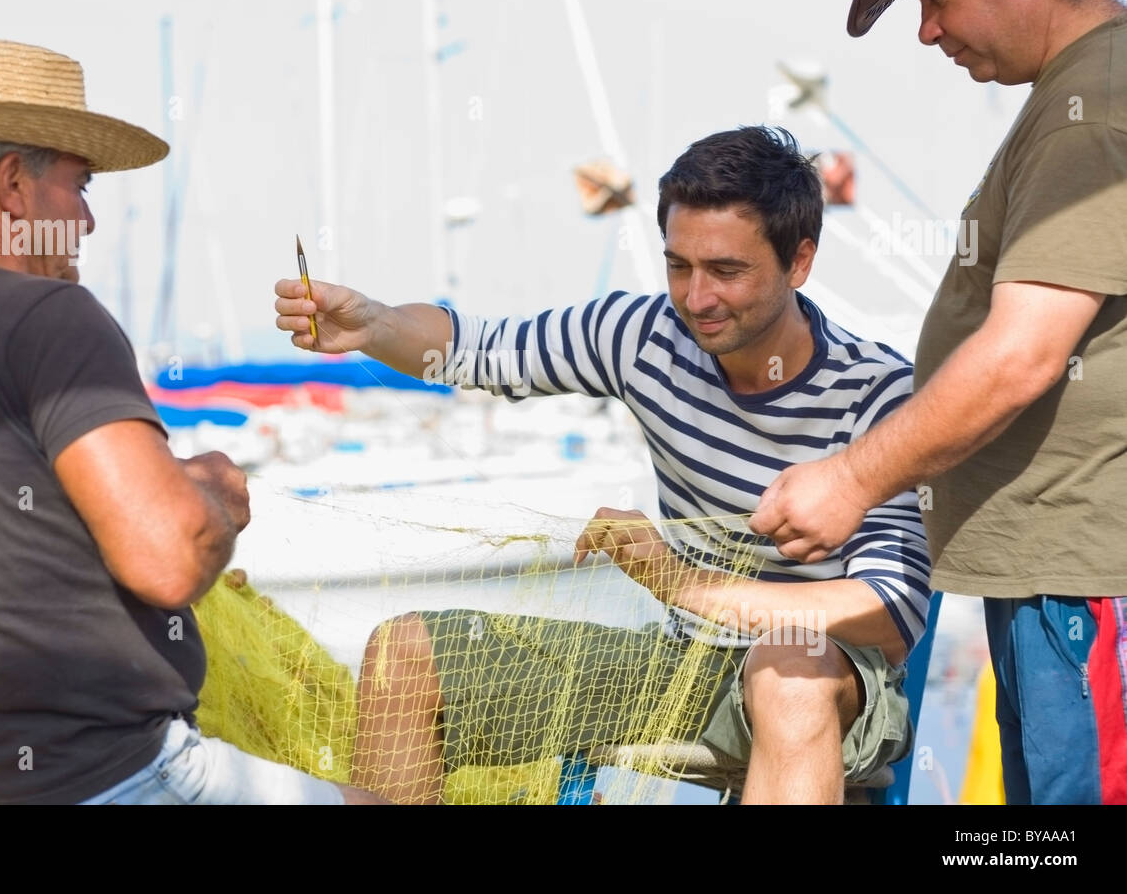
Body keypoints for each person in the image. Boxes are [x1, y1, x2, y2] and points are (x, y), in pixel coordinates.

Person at [274, 125, 932, 804]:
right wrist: (373, 326)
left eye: (727, 271)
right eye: (679, 266)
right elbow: (483, 350)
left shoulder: (878, 392)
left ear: (799, 262)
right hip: (682, 665)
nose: (696, 298)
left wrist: (685, 585)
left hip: (826, 680)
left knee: (786, 673)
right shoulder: (644, 336)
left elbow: (887, 612)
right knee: (402, 656)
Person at [0, 36, 377, 804]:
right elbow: (170, 555)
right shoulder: (46, 316)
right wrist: (213, 493)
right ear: (13, 186)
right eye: (79, 185)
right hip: (117, 781)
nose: (85, 222)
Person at [752, 0, 1127, 804]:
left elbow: (1021, 353)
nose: (927, 32)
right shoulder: (1074, 95)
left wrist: (851, 478)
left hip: (1087, 582)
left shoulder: (1096, 108)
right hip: (1054, 575)